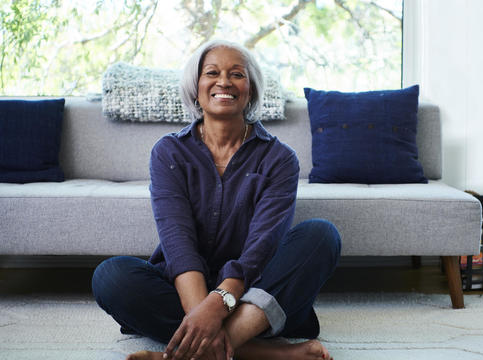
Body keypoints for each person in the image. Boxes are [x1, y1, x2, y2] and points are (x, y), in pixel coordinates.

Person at [91, 39, 341, 360]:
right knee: (111, 277)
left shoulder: (279, 158)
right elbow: (177, 243)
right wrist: (204, 312)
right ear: (196, 88)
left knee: (321, 235)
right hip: (184, 289)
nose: (224, 81)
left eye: (236, 74)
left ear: (249, 90)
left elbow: (261, 249)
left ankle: (190, 352)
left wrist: (219, 301)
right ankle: (264, 353)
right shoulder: (169, 152)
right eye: (212, 72)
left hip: (254, 289)